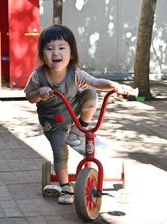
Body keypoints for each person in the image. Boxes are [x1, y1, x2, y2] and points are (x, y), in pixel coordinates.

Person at [24, 24, 133, 204]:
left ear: (71, 53)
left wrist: (116, 86)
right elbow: (29, 97)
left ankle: (79, 129)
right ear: (42, 54)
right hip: (53, 122)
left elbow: (96, 82)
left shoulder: (74, 74)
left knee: (90, 93)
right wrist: (39, 93)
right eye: (49, 49)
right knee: (60, 152)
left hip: (73, 114)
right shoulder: (38, 76)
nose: (55, 53)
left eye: (61, 48)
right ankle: (66, 187)